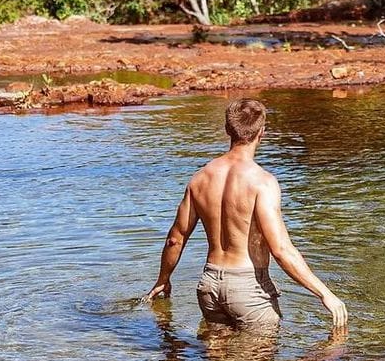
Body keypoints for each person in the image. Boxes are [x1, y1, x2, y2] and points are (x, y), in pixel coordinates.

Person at [148, 97, 349, 331]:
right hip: (248, 288)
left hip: (209, 285)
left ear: (227, 129)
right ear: (261, 132)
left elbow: (176, 238)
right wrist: (325, 294)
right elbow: (281, 250)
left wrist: (163, 279)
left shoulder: (199, 179)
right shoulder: (262, 183)